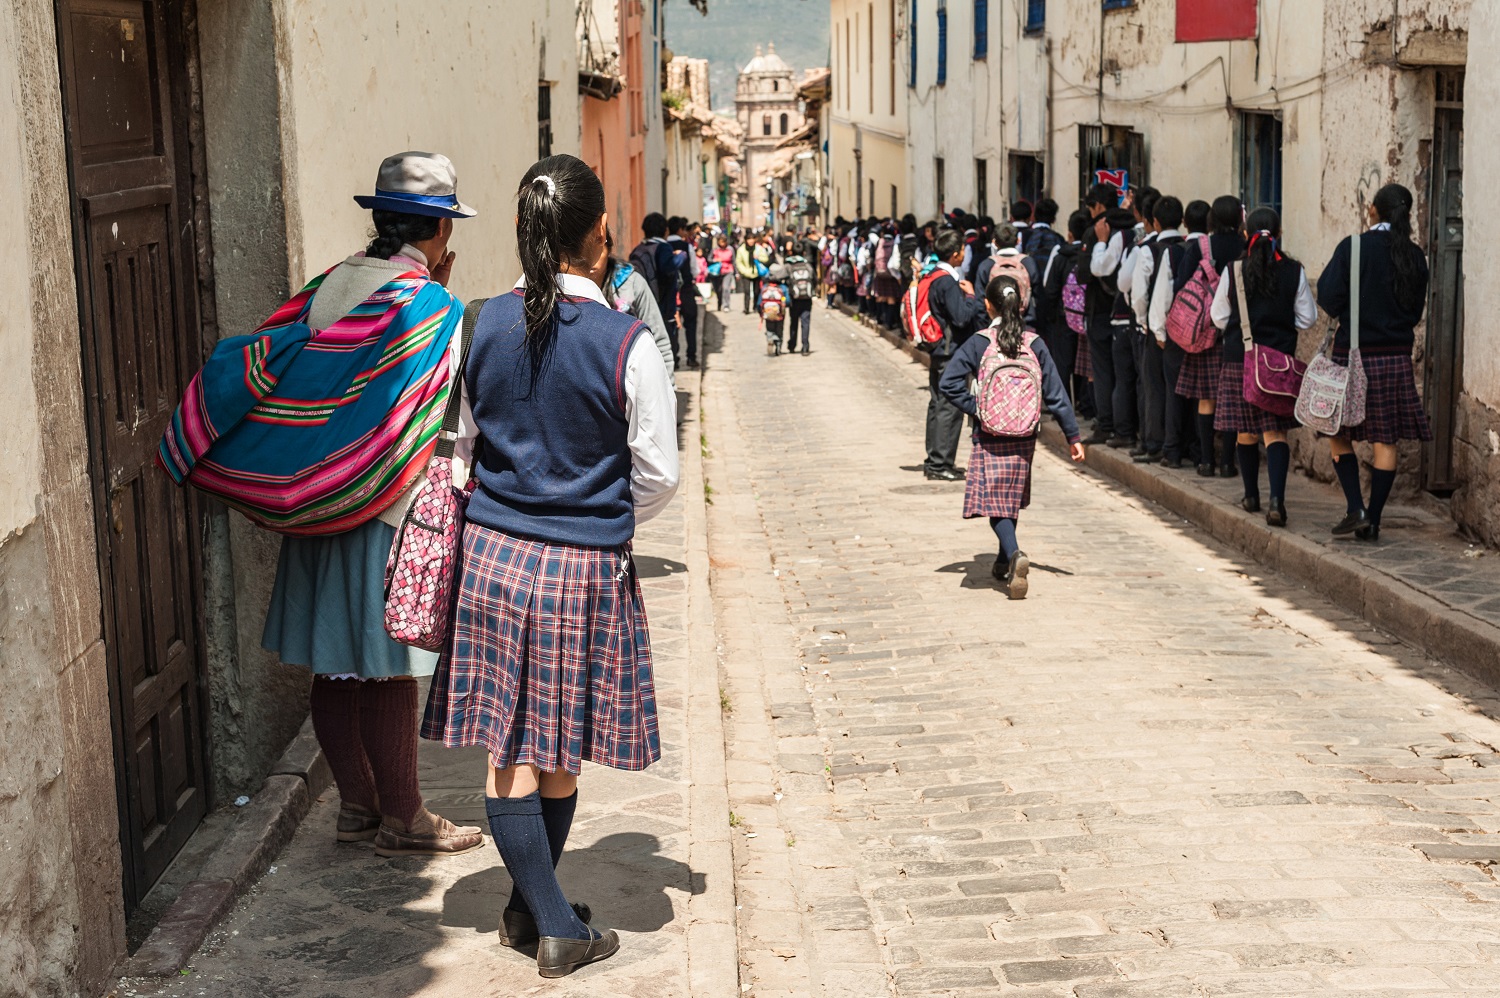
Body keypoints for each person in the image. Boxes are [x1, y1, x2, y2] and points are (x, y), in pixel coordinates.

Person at [421, 154, 679, 978]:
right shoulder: (625, 341)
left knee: (512, 749)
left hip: (495, 559)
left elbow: (463, 450)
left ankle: (530, 906)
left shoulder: (481, 323)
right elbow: (658, 474)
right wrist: (603, 516)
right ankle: (559, 926)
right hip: (582, 567)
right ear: (599, 234)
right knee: (553, 746)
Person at [260, 151, 484, 858]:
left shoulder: (327, 288)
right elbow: (438, 409)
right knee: (388, 667)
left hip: (315, 498)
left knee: (333, 663)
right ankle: (406, 815)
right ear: (439, 230)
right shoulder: (430, 308)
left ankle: (356, 808)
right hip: (384, 508)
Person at [939, 273, 1086, 598]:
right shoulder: (1034, 343)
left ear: (987, 304)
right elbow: (1056, 394)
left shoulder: (979, 342)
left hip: (989, 432)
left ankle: (1015, 553)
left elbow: (947, 383)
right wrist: (1073, 436)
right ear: (1021, 304)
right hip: (1024, 434)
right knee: (1011, 500)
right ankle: (1004, 561)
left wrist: (976, 407)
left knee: (996, 504)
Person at [1316, 182, 1432, 542]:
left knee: (1336, 432)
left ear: (1373, 210)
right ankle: (1375, 519)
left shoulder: (1353, 247)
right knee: (1386, 441)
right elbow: (1414, 311)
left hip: (1354, 356)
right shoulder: (1415, 257)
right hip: (1394, 358)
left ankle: (1356, 508)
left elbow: (1328, 296)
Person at [1210, 206, 1318, 526]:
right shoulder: (1294, 270)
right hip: (1278, 363)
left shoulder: (1233, 270)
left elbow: (1217, 316)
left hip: (1240, 360)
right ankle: (1277, 501)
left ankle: (1251, 495)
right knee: (1275, 434)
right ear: (1280, 234)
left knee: (1246, 431)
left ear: (1245, 234)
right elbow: (1307, 319)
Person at [1173, 195, 1245, 478]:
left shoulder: (1202, 247)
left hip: (1205, 333)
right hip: (1238, 333)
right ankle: (1228, 462)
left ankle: (1206, 461)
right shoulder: (1245, 247)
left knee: (1206, 399)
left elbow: (1181, 285)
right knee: (1232, 401)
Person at [922, 229, 987, 481]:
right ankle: (941, 464)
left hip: (939, 347)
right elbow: (960, 317)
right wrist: (971, 296)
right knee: (949, 406)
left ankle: (934, 459)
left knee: (937, 402)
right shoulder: (947, 280)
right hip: (950, 350)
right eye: (961, 249)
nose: (964, 253)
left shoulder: (932, 273)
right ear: (955, 254)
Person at [1150, 199, 1210, 468]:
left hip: (1177, 332)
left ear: (1185, 222)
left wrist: (1160, 333)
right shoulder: (1214, 252)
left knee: (1175, 392)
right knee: (1203, 394)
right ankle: (1199, 450)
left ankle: (1173, 451)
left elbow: (1162, 296)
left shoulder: (1174, 252)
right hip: (1208, 333)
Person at [602, 230, 676, 381]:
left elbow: (659, 338)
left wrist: (669, 386)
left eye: (599, 244)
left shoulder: (632, 281)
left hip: (631, 382)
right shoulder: (568, 287)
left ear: (608, 248)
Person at [671, 217, 702, 368]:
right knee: (690, 324)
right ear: (681, 230)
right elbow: (695, 270)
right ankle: (691, 357)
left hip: (669, 293)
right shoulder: (686, 246)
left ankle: (673, 358)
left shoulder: (663, 246)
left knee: (672, 326)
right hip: (686, 291)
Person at [785, 250, 817, 355]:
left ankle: (792, 345)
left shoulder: (789, 266)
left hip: (794, 299)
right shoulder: (808, 266)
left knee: (793, 322)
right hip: (807, 299)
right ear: (803, 253)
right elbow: (814, 280)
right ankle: (805, 347)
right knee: (805, 323)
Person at [760, 263, 790, 355]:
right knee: (779, 328)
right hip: (780, 313)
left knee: (770, 327)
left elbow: (759, 301)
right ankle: (778, 344)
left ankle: (770, 339)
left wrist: (760, 311)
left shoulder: (765, 287)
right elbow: (788, 301)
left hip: (768, 313)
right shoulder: (783, 288)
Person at [736, 231, 760, 314]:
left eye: (752, 239)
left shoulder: (758, 248)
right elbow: (738, 262)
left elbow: (765, 258)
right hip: (746, 273)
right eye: (749, 239)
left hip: (756, 272)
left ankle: (755, 307)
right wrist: (744, 271)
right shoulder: (741, 250)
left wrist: (758, 258)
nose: (751, 241)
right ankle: (746, 308)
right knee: (747, 291)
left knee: (756, 291)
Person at [711, 234, 735, 311]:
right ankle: (719, 303)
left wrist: (736, 272)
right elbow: (709, 258)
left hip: (728, 270)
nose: (722, 244)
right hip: (717, 272)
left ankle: (726, 305)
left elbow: (734, 261)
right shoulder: (715, 249)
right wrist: (715, 260)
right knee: (718, 289)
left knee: (726, 288)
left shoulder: (730, 249)